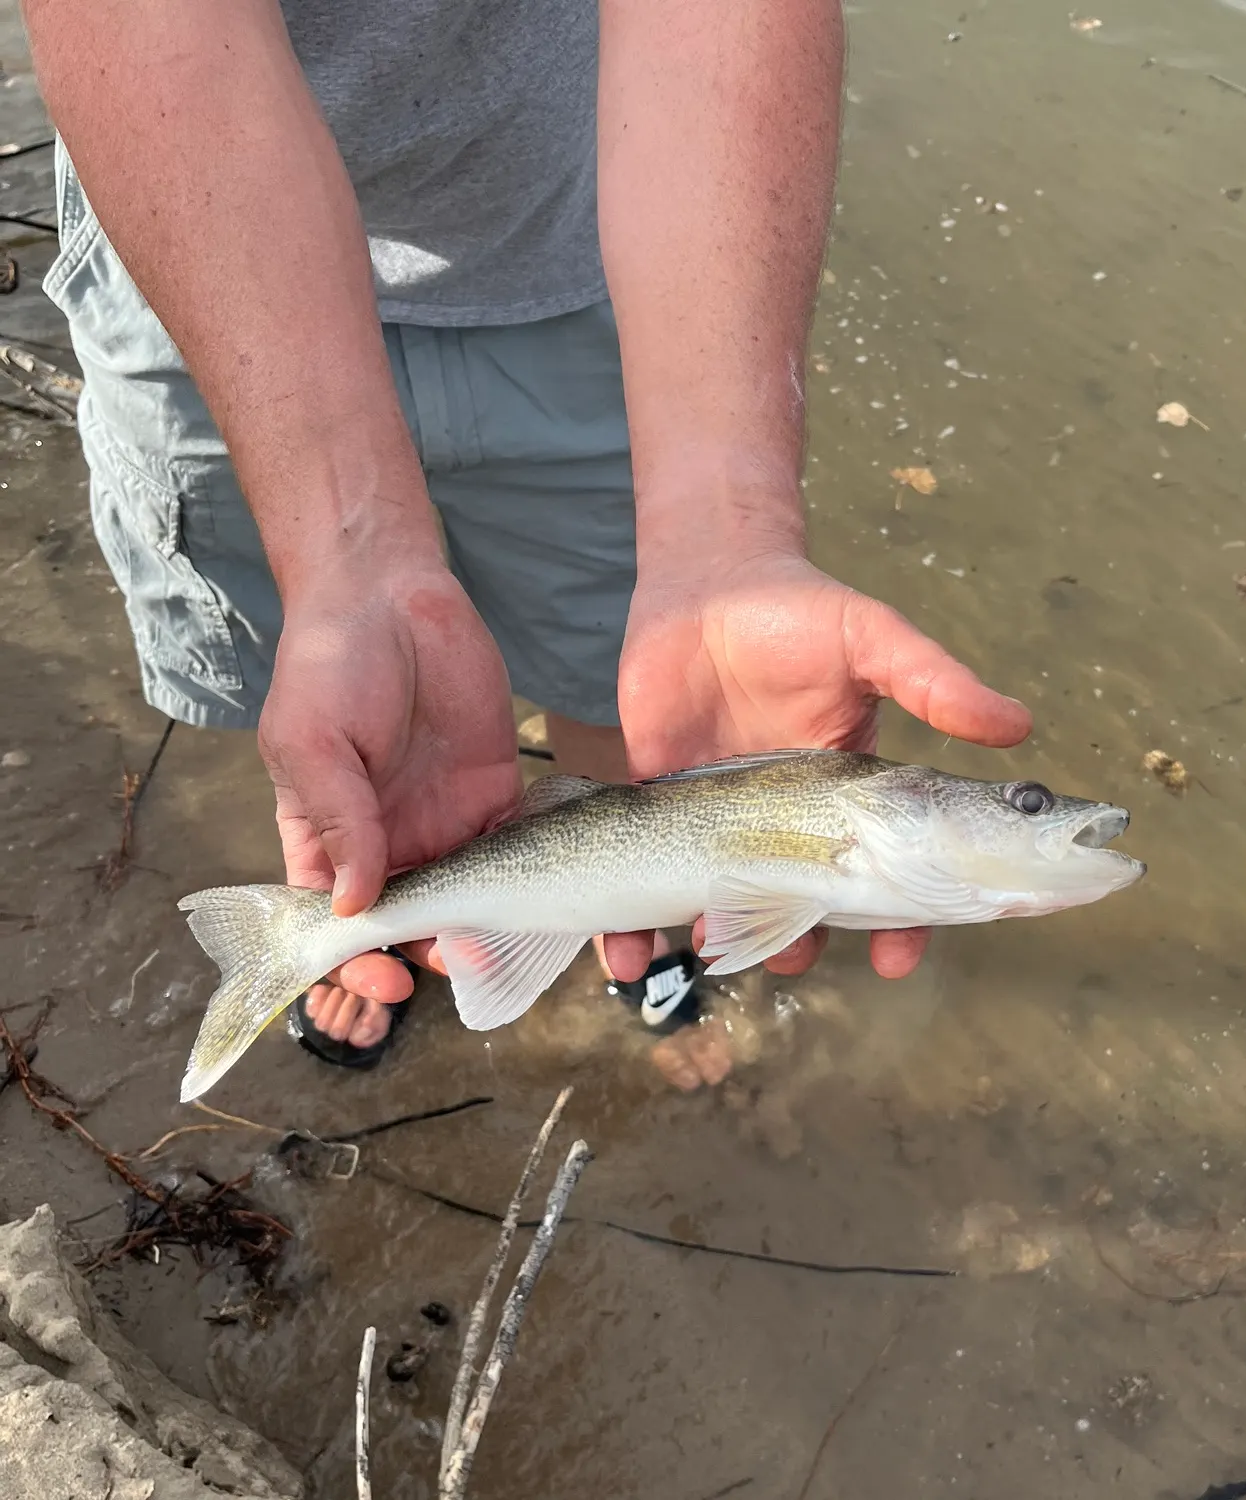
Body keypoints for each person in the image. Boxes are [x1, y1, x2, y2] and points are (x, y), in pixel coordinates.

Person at [23, 0, 1031, 1090]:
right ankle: (353, 918)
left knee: (644, 671)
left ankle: (627, 936)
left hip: (598, 244)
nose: (1035, 808)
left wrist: (726, 541)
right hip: (192, 250)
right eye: (1021, 801)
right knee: (316, 684)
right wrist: (344, 563)